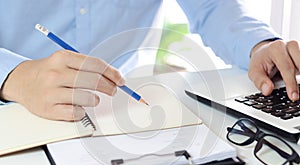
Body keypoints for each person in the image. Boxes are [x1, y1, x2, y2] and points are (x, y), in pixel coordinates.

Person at [0, 0, 299, 121]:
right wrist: (13, 75)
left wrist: (258, 45)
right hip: (15, 111)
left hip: (121, 106)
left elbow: (211, 6)